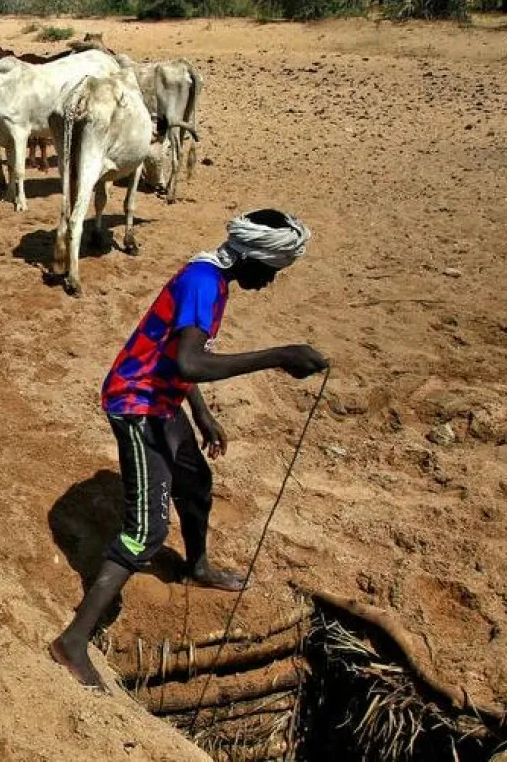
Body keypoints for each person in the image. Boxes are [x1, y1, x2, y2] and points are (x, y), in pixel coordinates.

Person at [50, 209, 330, 689]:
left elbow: (175, 354)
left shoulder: (213, 277)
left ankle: (196, 566)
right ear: (256, 259)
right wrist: (279, 357)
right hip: (136, 404)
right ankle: (72, 641)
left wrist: (199, 413)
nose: (271, 282)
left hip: (163, 398)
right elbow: (189, 359)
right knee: (147, 531)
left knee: (196, 482)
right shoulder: (204, 283)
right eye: (273, 272)